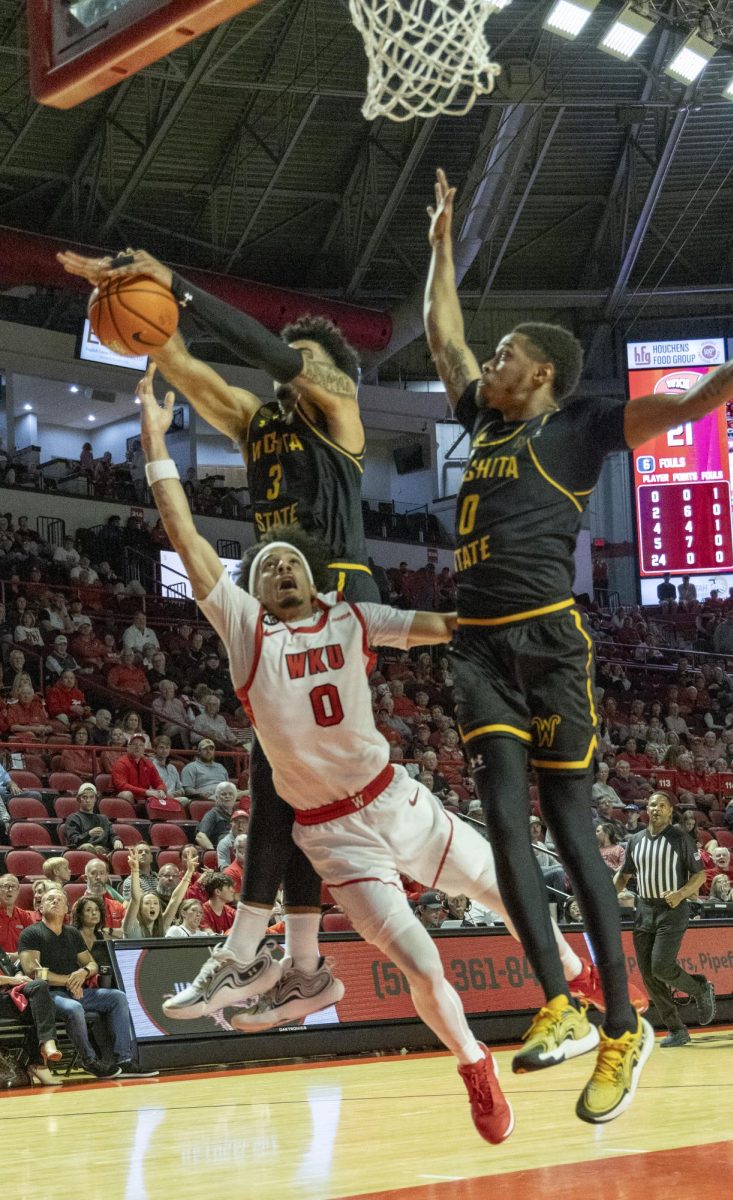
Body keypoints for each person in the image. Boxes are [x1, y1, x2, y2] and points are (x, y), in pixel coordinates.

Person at [423, 166, 733, 1123]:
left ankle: (619, 1025)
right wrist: (440, 244)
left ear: (542, 374)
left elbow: (692, 407)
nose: (492, 363)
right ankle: (554, 1004)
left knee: (570, 838)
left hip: (550, 646)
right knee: (503, 832)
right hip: (477, 649)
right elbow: (443, 335)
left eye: (508, 353)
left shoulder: (585, 428)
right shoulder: (481, 417)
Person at [134, 379, 548, 1143]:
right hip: (336, 838)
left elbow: (447, 625)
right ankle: (473, 1064)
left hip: (397, 801)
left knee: (509, 893)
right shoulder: (244, 629)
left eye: (291, 564)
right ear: (251, 590)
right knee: (425, 969)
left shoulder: (356, 616)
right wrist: (155, 440)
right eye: (267, 569)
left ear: (313, 577)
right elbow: (185, 535)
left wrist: (521, 610)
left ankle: (580, 987)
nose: (281, 572)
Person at [59, 244, 382, 1048]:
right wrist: (127, 299)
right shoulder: (256, 418)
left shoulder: (339, 412)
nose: (287, 368)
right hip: (279, 610)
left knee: (282, 775)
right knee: (288, 782)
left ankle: (246, 948)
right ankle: (301, 958)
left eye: (302, 359)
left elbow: (269, 352)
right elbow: (176, 355)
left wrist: (176, 285)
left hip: (336, 598)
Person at [17, 889, 155, 1079]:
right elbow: (33, 972)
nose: (55, 902)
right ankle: (90, 1061)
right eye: (50, 899)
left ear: (67, 908)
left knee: (118, 997)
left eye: (60, 899)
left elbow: (91, 964)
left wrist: (83, 973)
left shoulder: (72, 933)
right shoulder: (31, 933)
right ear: (40, 907)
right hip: (49, 995)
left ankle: (124, 1059)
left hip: (76, 990)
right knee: (74, 1008)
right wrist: (69, 980)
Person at [614, 793, 714, 1049]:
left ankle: (700, 988)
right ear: (646, 809)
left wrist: (680, 893)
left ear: (670, 811)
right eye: (652, 805)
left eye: (661, 805)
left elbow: (700, 876)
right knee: (649, 975)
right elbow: (624, 876)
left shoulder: (680, 838)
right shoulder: (635, 840)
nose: (656, 809)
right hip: (644, 909)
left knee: (660, 966)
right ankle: (677, 1029)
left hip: (673, 909)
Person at [0, 946, 63, 1086]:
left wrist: (18, 976)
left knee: (39, 986)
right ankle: (39, 1064)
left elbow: (13, 969)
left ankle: (48, 1043)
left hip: (10, 992)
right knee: (39, 1008)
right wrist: (11, 980)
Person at [122, 848, 193, 937]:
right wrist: (135, 871)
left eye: (156, 903)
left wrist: (189, 872)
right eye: (147, 903)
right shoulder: (131, 926)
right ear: (139, 908)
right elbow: (135, 899)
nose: (152, 906)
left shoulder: (162, 926)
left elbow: (175, 899)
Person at [63, 782, 123, 854]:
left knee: (101, 849)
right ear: (79, 799)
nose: (88, 800)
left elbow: (112, 835)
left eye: (91, 797)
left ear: (95, 799)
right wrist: (89, 834)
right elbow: (73, 840)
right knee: (87, 846)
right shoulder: (74, 818)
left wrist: (116, 840)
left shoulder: (103, 819)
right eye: (85, 797)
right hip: (82, 852)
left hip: (103, 850)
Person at [195, 780, 238, 850]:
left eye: (231, 794)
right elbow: (200, 836)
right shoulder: (212, 814)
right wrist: (213, 852)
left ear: (235, 797)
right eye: (223, 794)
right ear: (217, 798)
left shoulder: (240, 814)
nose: (227, 796)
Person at [0, 873, 36, 954]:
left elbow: (33, 945)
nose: (10, 890)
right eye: (6, 886)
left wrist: (17, 956)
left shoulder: (24, 916)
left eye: (13, 887)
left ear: (18, 890)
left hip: (19, 963)